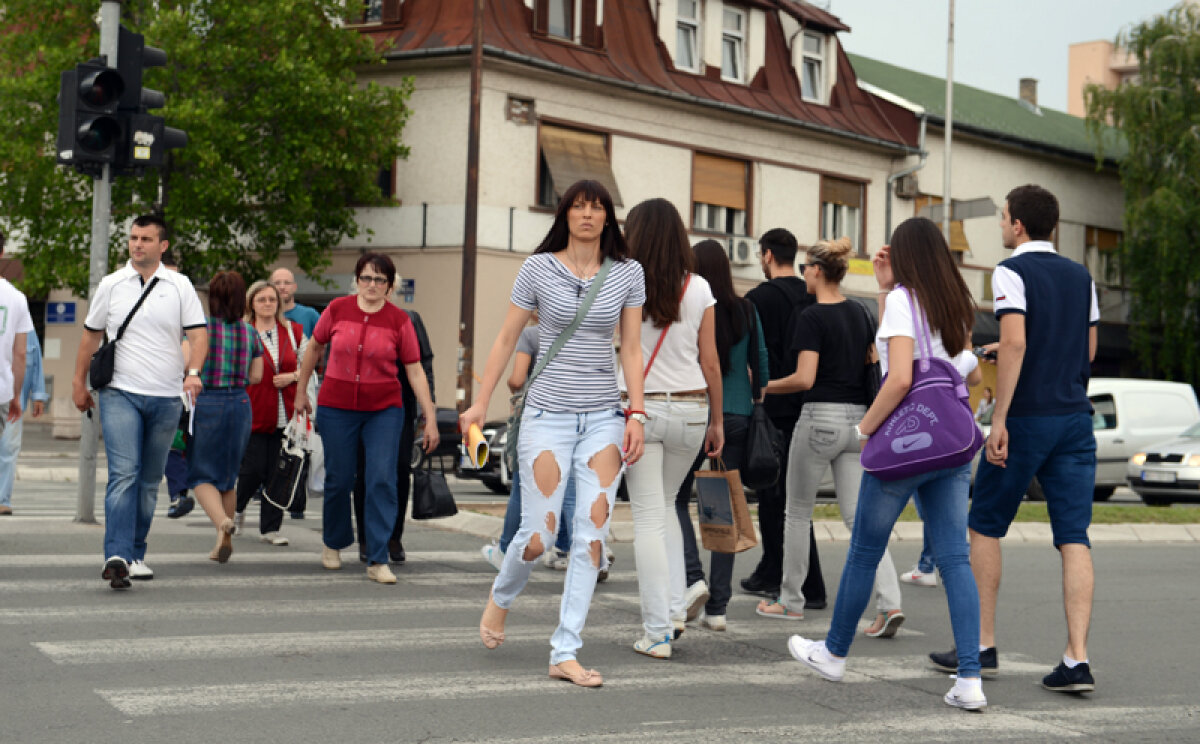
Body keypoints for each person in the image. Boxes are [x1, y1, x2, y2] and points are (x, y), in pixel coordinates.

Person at [788, 216, 989, 712]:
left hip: (905, 445)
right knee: (955, 560)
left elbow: (898, 378)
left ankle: (833, 653)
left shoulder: (904, 301)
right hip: (950, 444)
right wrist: (883, 289)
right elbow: (971, 369)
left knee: (863, 551)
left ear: (905, 257)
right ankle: (969, 680)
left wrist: (865, 430)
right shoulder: (953, 302)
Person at [461, 179, 645, 688]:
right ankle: (501, 599)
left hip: (604, 418)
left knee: (591, 537)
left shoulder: (629, 273)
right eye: (578, 206)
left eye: (597, 207)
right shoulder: (538, 268)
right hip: (547, 415)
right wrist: (480, 401)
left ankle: (565, 651)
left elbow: (630, 349)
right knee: (538, 536)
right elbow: (505, 337)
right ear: (565, 215)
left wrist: (637, 413)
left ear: (609, 217)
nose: (587, 214)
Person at [929, 184, 1101, 694]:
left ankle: (981, 647)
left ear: (1019, 225)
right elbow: (1087, 349)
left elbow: (1017, 341)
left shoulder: (1010, 271)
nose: (1001, 224)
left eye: (1003, 217)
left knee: (984, 524)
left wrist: (998, 418)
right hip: (1075, 417)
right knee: (1074, 538)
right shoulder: (1081, 275)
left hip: (1026, 417)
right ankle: (1077, 659)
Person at [759, 236, 903, 637]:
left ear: (818, 272)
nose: (804, 273)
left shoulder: (811, 318)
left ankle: (790, 601)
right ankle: (889, 602)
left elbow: (804, 378)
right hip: (858, 423)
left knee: (797, 512)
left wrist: (766, 386)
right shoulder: (859, 314)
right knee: (860, 519)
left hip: (818, 418)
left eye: (807, 267)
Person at [73, 214, 208, 588]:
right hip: (119, 392)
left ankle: (135, 553)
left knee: (149, 482)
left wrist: (193, 371)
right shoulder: (112, 284)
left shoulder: (179, 286)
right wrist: (77, 382)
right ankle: (115, 554)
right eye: (133, 238)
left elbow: (198, 336)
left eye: (146, 239)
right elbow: (89, 338)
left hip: (166, 396)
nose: (138, 244)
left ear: (162, 245)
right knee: (125, 474)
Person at [294, 253, 439, 585]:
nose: (372, 285)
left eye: (380, 280)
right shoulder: (336, 310)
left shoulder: (399, 320)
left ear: (390, 286)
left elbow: (415, 370)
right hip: (337, 408)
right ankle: (333, 542)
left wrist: (429, 415)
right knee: (340, 479)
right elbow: (314, 350)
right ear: (357, 280)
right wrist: (301, 392)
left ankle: (377, 557)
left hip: (384, 411)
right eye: (366, 278)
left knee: (381, 479)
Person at [620, 199, 723, 659]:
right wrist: (717, 418)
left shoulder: (623, 281)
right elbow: (711, 361)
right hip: (692, 410)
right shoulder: (699, 287)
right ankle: (676, 611)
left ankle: (657, 630)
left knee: (647, 518)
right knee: (666, 506)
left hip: (640, 413)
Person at [671, 239, 768, 632]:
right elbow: (760, 362)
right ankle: (719, 609)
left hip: (700, 412)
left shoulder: (691, 306)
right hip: (739, 415)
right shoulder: (747, 309)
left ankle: (693, 579)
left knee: (676, 498)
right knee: (724, 505)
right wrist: (756, 396)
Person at [742, 229, 826, 607]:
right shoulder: (810, 294)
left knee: (776, 495)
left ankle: (807, 586)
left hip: (771, 407)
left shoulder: (758, 299)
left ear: (767, 255)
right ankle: (772, 569)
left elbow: (748, 356)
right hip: (808, 404)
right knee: (791, 499)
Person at [479, 319, 579, 575]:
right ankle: (573, 548)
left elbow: (517, 379)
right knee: (571, 483)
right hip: (579, 413)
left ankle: (505, 550)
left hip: (540, 415)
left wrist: (514, 386)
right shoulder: (582, 330)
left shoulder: (532, 335)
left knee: (524, 486)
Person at [188, 271, 263, 563]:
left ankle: (221, 522)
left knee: (200, 474)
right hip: (240, 403)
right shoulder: (250, 332)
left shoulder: (200, 329)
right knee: (228, 478)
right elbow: (256, 375)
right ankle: (224, 537)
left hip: (208, 400)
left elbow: (185, 363)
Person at [353, 307, 436, 565]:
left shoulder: (410, 318)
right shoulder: (354, 316)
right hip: (361, 407)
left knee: (400, 469)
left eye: (383, 282)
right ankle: (366, 538)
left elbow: (425, 363)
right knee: (365, 472)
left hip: (401, 406)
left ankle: (393, 536)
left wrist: (428, 409)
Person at [235, 280, 306, 546]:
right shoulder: (243, 331)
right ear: (251, 303)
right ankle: (238, 508)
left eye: (272, 300)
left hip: (285, 413)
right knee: (252, 468)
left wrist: (292, 376)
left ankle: (270, 528)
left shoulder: (292, 331)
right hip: (253, 410)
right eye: (261, 299)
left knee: (279, 471)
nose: (267, 304)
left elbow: (308, 365)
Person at [270, 267, 320, 519]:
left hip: (302, 386)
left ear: (294, 287)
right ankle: (275, 492)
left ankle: (297, 498)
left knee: (302, 440)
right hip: (272, 389)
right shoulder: (265, 314)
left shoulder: (308, 315)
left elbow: (317, 351)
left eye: (286, 283)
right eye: (277, 283)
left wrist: (295, 376)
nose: (282, 287)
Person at [0, 309, 40, 517]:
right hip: (8, 396)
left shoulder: (28, 329)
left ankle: (3, 499)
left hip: (14, 399)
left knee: (8, 449)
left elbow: (34, 359)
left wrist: (39, 393)